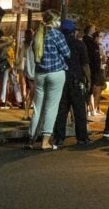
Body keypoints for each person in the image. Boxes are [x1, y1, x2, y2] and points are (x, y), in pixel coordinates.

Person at [28, 9, 70, 150]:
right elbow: (67, 53)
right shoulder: (57, 35)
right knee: (51, 108)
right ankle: (45, 141)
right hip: (56, 73)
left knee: (37, 107)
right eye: (58, 19)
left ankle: (31, 140)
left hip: (40, 74)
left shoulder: (38, 35)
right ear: (53, 20)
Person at [53, 19, 92, 147]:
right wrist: (88, 79)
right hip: (76, 80)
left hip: (61, 79)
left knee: (61, 110)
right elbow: (85, 64)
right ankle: (82, 137)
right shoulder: (79, 45)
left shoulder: (58, 44)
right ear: (73, 32)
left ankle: (59, 137)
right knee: (79, 109)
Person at [83, 25, 104, 117]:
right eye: (94, 29)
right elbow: (94, 58)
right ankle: (89, 110)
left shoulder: (87, 42)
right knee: (90, 90)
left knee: (90, 90)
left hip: (92, 69)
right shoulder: (89, 43)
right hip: (92, 69)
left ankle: (90, 109)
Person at [18, 28, 36, 121]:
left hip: (29, 71)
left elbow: (20, 57)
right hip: (35, 72)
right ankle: (32, 114)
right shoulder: (34, 46)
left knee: (30, 93)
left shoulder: (27, 46)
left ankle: (26, 113)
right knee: (34, 93)